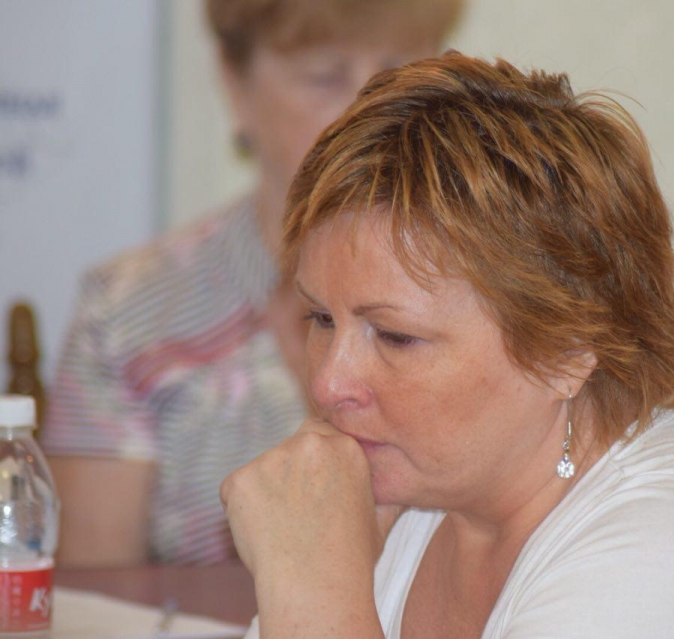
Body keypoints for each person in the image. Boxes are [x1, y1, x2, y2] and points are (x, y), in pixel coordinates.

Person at [221, 52, 674, 637]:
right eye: (320, 319)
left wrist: (311, 586)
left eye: (395, 336)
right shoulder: (421, 489)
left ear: (567, 348)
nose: (328, 384)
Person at [42, 0, 463, 566]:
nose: (370, 108)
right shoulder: (125, 311)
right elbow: (94, 592)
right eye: (325, 76)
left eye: (397, 70)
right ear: (235, 84)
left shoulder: (489, 289)